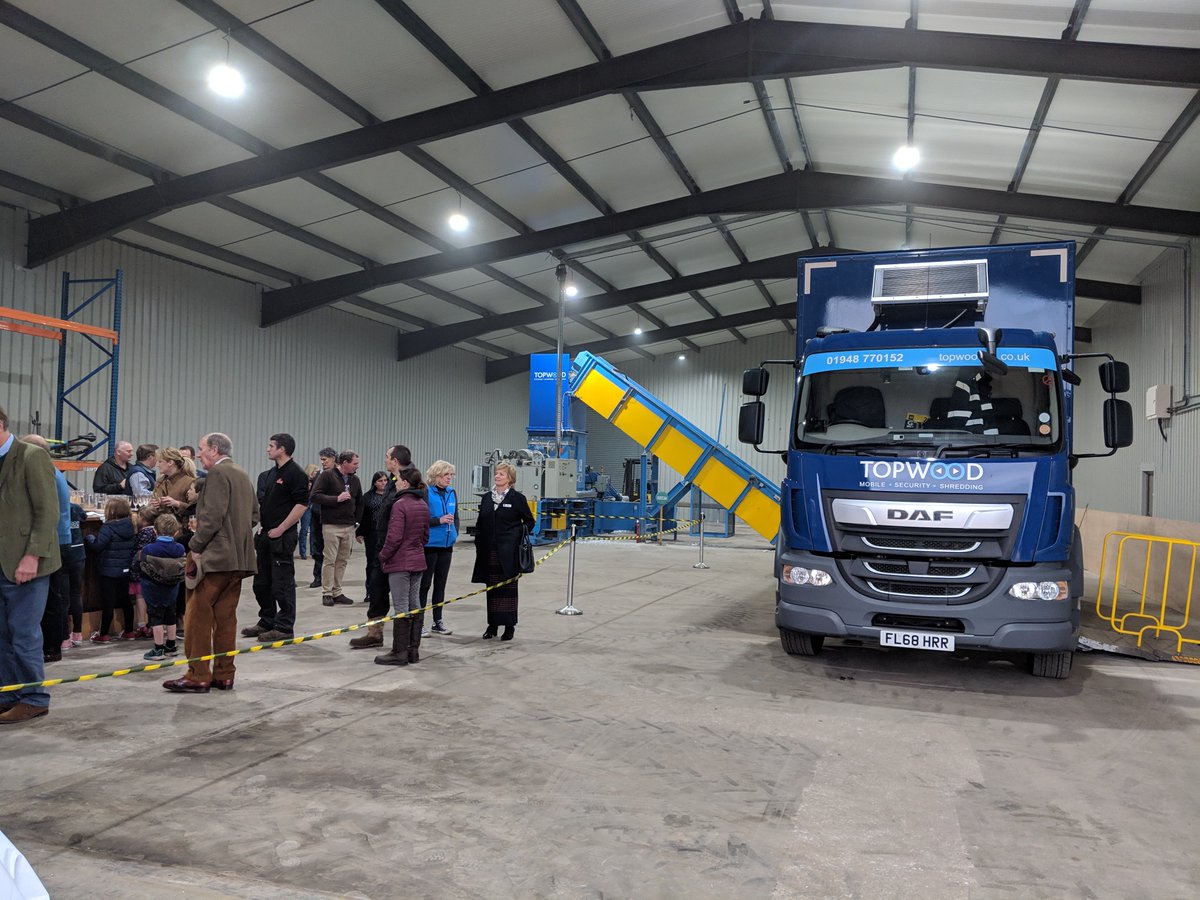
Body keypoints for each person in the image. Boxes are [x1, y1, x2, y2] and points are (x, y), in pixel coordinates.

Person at [164, 432, 258, 694]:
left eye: (202, 449)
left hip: (215, 560)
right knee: (226, 618)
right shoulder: (241, 473)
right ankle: (225, 673)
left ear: (215, 450)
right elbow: (254, 515)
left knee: (197, 616)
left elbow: (212, 519)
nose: (200, 454)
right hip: (238, 560)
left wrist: (194, 546)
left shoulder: (217, 475)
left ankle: (197, 674)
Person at [0, 407, 62, 725]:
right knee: (2, 633)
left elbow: (47, 512)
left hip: (27, 563)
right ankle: (8, 693)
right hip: (1, 561)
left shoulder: (31, 456)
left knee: (24, 633)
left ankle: (34, 698)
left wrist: (32, 556)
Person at [245, 434, 309, 642]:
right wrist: (263, 527)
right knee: (261, 582)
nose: (267, 449)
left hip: (282, 536)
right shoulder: (272, 474)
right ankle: (267, 620)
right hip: (266, 533)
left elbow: (301, 505)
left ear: (283, 449)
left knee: (281, 583)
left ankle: (284, 626)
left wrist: (281, 528)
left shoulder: (296, 474)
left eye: (271, 446)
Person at [349, 444, 411, 650]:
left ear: (395, 461)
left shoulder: (410, 481)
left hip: (399, 550)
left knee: (404, 599)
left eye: (387, 457)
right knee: (377, 588)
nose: (385, 460)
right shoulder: (393, 482)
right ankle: (374, 633)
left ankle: (406, 644)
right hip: (382, 547)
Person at [20, 435, 70, 663]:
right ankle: (54, 643)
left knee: (50, 599)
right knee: (55, 597)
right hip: (59, 539)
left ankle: (51, 646)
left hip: (53, 542)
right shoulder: (53, 471)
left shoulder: (44, 472)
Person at [472, 462, 535, 642]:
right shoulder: (486, 498)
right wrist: (479, 540)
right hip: (489, 552)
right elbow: (480, 523)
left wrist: (515, 535)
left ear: (510, 479)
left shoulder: (517, 499)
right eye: (497, 473)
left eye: (502, 474)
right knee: (491, 590)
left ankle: (509, 627)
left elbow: (530, 522)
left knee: (508, 590)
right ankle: (492, 625)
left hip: (509, 554)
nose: (497, 476)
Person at [375, 466, 429, 667]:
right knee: (415, 604)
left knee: (400, 606)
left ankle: (399, 652)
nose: (394, 482)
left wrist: (383, 556)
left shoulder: (400, 504)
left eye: (397, 480)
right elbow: (425, 536)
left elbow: (394, 537)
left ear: (405, 483)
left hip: (400, 562)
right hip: (417, 561)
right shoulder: (422, 503)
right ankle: (412, 650)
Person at [311, 449, 364, 607]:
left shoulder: (355, 480)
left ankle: (337, 591)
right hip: (331, 525)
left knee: (342, 561)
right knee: (330, 560)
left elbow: (360, 501)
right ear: (345, 463)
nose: (357, 466)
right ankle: (327, 592)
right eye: (355, 463)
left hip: (348, 526)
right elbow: (314, 496)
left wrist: (357, 522)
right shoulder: (327, 476)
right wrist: (336, 499)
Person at [85, 496, 137, 642]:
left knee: (108, 602)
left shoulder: (108, 527)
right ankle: (129, 631)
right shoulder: (131, 525)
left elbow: (97, 546)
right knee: (126, 600)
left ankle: (104, 634)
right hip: (125, 569)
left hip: (108, 571)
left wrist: (89, 538)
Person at [135, 513, 185, 660]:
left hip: (153, 589)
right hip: (172, 589)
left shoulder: (149, 550)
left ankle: (158, 648)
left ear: (155, 531)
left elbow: (140, 566)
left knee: (156, 618)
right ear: (176, 532)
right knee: (171, 616)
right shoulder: (179, 548)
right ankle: (171, 645)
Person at [421, 460, 460, 636]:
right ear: (436, 475)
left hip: (446, 546)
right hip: (430, 545)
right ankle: (419, 622)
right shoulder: (426, 493)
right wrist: (439, 521)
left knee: (440, 585)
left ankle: (438, 621)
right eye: (446, 475)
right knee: (425, 584)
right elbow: (421, 519)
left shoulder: (452, 493)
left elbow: (456, 516)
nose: (449, 478)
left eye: (451, 475)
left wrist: (455, 534)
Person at [357, 470, 389, 609]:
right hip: (372, 533)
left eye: (385, 480)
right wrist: (360, 532)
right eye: (380, 481)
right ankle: (370, 591)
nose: (383, 483)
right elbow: (363, 516)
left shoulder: (392, 496)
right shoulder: (367, 497)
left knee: (386, 563)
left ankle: (385, 591)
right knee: (372, 563)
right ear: (374, 483)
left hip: (387, 533)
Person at [308, 447, 336, 588]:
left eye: (325, 460)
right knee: (316, 547)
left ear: (333, 459)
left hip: (331, 517)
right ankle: (317, 576)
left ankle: (330, 579)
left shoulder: (338, 476)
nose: (323, 463)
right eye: (321, 460)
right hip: (316, 515)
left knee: (330, 550)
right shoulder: (319, 475)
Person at [149, 447, 197, 519]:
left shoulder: (190, 482)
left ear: (170, 463)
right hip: (159, 524)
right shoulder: (160, 481)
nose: (157, 465)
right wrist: (153, 504)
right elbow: (154, 500)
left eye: (160, 462)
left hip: (180, 526)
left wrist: (177, 504)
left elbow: (196, 509)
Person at [298, 463, 319, 560]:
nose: (316, 473)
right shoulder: (303, 480)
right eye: (315, 471)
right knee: (305, 529)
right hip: (306, 507)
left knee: (313, 530)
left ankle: (313, 551)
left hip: (313, 507)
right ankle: (303, 552)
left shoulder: (315, 481)